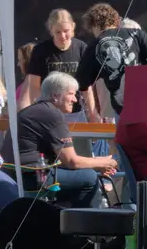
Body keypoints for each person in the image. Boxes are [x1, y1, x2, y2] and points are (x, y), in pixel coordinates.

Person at [18, 72, 120, 207]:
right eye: (71, 94)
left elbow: (64, 161)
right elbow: (72, 161)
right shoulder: (52, 115)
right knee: (89, 177)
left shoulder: (36, 110)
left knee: (83, 176)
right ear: (55, 96)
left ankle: (64, 219)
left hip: (23, 173)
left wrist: (97, 165)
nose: (75, 100)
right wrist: (103, 162)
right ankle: (85, 224)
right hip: (34, 176)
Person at [77, 3, 147, 119]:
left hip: (122, 107)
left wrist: (93, 113)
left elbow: (83, 84)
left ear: (93, 25)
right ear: (115, 20)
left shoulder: (94, 46)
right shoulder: (137, 34)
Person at [25, 9, 87, 104]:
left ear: (73, 26)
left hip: (75, 108)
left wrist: (92, 112)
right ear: (51, 30)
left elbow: (86, 86)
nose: (62, 36)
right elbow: (34, 86)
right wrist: (38, 109)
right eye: (58, 32)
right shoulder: (40, 50)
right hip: (49, 109)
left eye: (66, 31)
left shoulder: (81, 48)